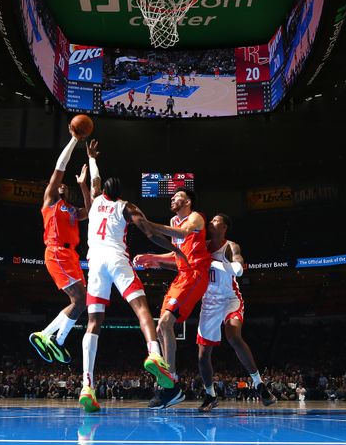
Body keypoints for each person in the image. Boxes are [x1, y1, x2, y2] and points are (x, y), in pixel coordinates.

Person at [77, 140, 188, 412]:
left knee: (93, 324)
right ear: (121, 193)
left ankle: (87, 386)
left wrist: (91, 157)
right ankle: (154, 353)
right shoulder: (127, 208)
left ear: (103, 191)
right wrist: (176, 250)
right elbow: (151, 234)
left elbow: (94, 179)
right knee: (141, 310)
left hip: (95, 264)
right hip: (117, 260)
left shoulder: (93, 203)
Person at [134, 188, 212, 408]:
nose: (172, 198)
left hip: (196, 274)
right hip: (182, 275)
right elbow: (176, 254)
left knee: (166, 323)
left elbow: (183, 233)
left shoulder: (195, 217)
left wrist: (149, 225)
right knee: (161, 328)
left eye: (177, 196)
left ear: (187, 201)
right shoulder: (172, 221)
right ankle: (171, 384)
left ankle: (171, 383)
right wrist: (153, 258)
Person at [195, 214, 276, 412]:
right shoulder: (202, 246)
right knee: (203, 355)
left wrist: (210, 263)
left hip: (230, 299)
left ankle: (259, 384)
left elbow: (238, 269)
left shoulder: (231, 246)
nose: (211, 222)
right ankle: (210, 395)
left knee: (233, 336)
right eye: (211, 220)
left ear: (224, 227)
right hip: (209, 303)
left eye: (216, 220)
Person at [29, 126, 92, 365]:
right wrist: (74, 141)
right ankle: (51, 337)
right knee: (79, 300)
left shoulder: (73, 211)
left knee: (82, 302)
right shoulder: (50, 201)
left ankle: (52, 338)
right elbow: (59, 168)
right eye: (59, 185)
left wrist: (84, 185)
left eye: (67, 186)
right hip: (56, 251)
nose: (62, 186)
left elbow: (93, 210)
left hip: (71, 255)